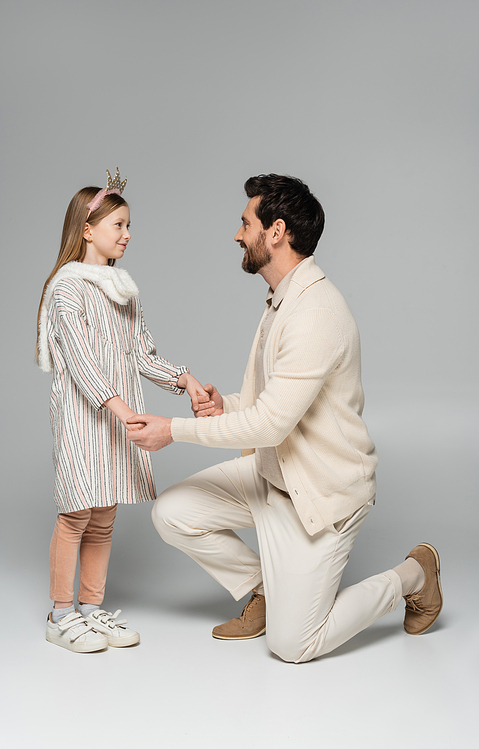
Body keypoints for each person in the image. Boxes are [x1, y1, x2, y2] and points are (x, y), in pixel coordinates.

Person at [127, 174, 443, 663]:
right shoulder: (281, 300)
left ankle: (413, 575)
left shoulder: (316, 311)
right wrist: (225, 405)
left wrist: (174, 430)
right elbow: (273, 403)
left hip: (318, 494)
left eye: (245, 222)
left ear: (276, 232)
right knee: (173, 512)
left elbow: (272, 424)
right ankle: (266, 589)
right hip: (273, 477)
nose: (237, 234)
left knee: (294, 645)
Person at [37, 168, 208, 653]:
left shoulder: (120, 288)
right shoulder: (67, 288)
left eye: (129, 225)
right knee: (76, 514)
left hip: (115, 419)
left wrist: (185, 380)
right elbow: (78, 359)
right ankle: (61, 614)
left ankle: (90, 609)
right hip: (83, 418)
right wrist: (121, 407)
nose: (128, 234)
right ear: (88, 230)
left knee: (105, 513)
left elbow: (142, 353)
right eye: (119, 225)